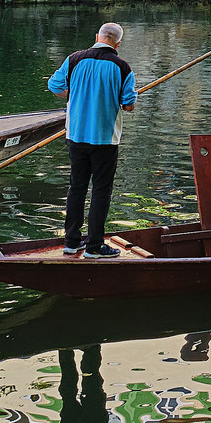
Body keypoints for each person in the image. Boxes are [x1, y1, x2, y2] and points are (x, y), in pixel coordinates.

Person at [46, 23, 138, 258]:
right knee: (101, 190)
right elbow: (128, 105)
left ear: (97, 37)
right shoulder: (123, 67)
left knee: (77, 187)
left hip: (75, 136)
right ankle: (94, 246)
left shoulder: (74, 59)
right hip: (104, 139)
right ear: (118, 44)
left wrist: (74, 92)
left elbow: (54, 85)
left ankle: (71, 242)